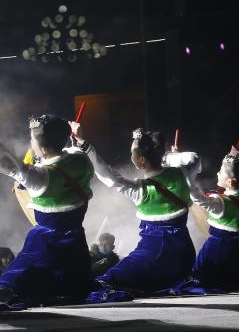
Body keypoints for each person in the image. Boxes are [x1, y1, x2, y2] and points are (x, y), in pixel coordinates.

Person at [0, 114, 95, 307]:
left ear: (43, 147)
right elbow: (72, 152)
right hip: (75, 245)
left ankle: (5, 291)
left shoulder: (39, 177)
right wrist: (76, 137)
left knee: (18, 274)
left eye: (32, 139)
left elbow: (2, 160)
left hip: (44, 243)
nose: (30, 142)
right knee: (71, 283)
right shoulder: (81, 161)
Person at [80, 127, 197, 301]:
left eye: (131, 153)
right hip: (185, 254)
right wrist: (172, 157)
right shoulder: (182, 172)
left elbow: (107, 175)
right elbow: (194, 158)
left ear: (141, 161)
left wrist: (86, 147)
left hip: (157, 252)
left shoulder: (140, 189)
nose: (130, 156)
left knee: (109, 280)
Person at [174, 149, 239, 294]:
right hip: (237, 256)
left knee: (197, 278)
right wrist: (235, 162)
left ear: (231, 181)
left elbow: (196, 197)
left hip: (214, 255)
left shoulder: (220, 204)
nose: (218, 173)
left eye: (221, 171)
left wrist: (184, 172)